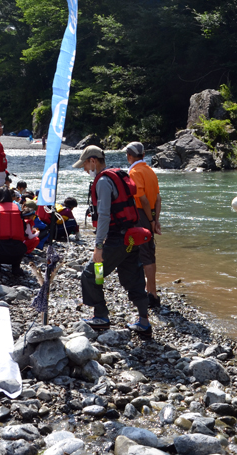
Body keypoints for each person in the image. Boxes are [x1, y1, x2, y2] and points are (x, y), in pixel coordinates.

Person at [73, 145, 151, 333]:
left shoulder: (103, 182)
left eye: (84, 165)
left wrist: (98, 246)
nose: (84, 169)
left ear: (93, 161)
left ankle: (101, 315)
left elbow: (104, 215)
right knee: (134, 277)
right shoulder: (119, 176)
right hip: (130, 238)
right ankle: (144, 322)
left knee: (91, 274)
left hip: (116, 240)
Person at [125, 141, 163, 308]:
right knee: (150, 253)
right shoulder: (150, 171)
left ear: (129, 156)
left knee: (145, 255)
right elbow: (158, 198)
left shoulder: (134, 172)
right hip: (151, 214)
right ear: (143, 155)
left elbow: (142, 199)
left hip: (142, 215)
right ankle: (151, 289)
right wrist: (156, 219)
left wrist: (149, 219)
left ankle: (152, 295)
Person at [0, 187, 26, 274]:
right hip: (17, 253)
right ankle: (16, 267)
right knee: (19, 244)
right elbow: (24, 228)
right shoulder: (18, 211)